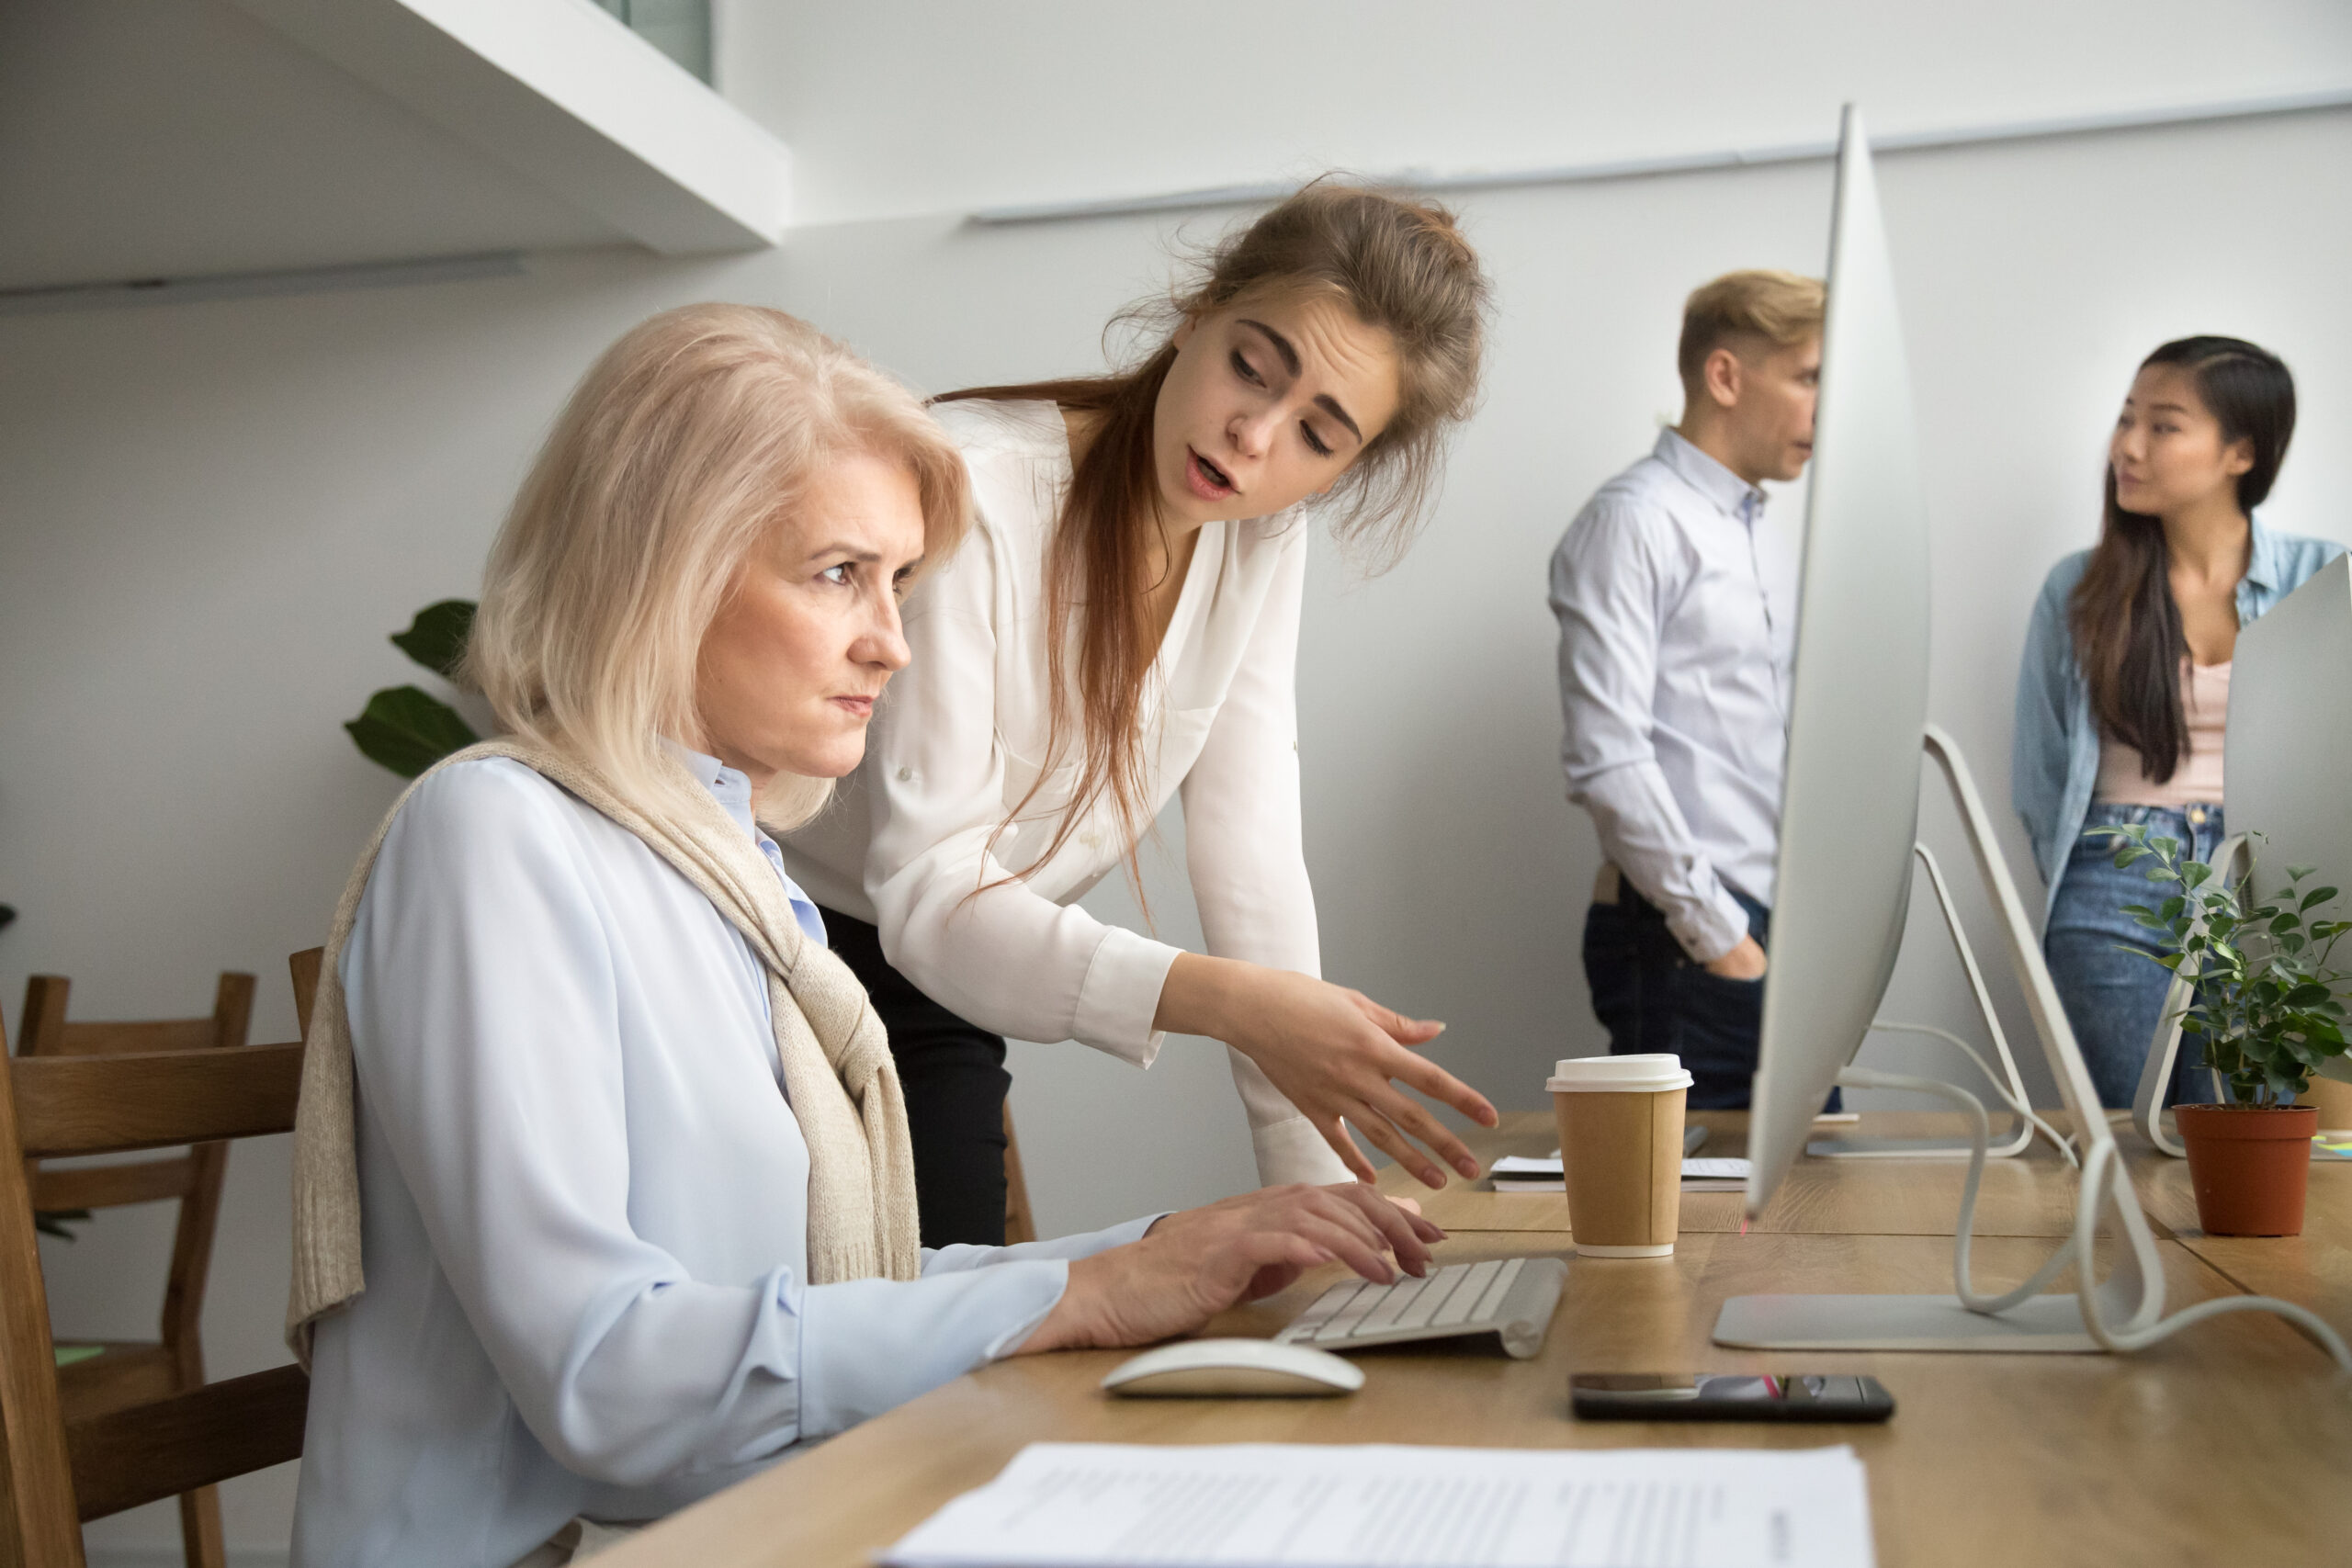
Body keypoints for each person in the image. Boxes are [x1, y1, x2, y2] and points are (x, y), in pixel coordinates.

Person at [287, 305, 1443, 1568]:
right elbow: (610, 1373)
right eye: (841, 571)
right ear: (663, 561)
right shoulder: (491, 836)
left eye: (898, 581)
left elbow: (815, 1288)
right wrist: (1077, 1294)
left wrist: (1160, 1251)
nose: (891, 639)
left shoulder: (726, 867)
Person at [786, 181, 1498, 1244]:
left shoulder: (1261, 540)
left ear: (1347, 469)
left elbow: (1249, 853)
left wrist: (1326, 1190)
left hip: (948, 978)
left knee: (966, 1328)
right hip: (788, 939)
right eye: (1251, 368)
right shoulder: (977, 487)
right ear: (1198, 311)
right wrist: (1226, 1001)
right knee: (903, 1345)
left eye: (1319, 433)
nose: (1254, 435)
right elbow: (929, 884)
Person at [2015, 335, 2341, 1109]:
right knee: (2137, 1140)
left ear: (2240, 451)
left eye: (2164, 426)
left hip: (2271, 879)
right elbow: (2042, 773)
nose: (2127, 446)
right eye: (2127, 419)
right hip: (2116, 878)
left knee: (2261, 1143)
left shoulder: (2320, 578)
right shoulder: (2079, 588)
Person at [1547, 269, 1824, 1109]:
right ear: (1726, 376)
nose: (1825, 409)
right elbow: (1607, 760)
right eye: (1810, 378)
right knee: (1700, 1231)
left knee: (1806, 1213)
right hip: (1690, 932)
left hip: (1765, 923)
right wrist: (1720, 938)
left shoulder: (1760, 534)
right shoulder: (1634, 522)